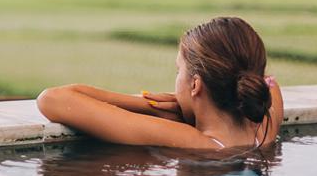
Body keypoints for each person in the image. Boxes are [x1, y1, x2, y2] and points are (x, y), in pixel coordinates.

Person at [36, 17, 284, 150]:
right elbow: (270, 82)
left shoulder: (195, 141)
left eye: (179, 71)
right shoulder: (264, 131)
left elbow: (53, 99)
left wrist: (148, 105)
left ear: (195, 85)